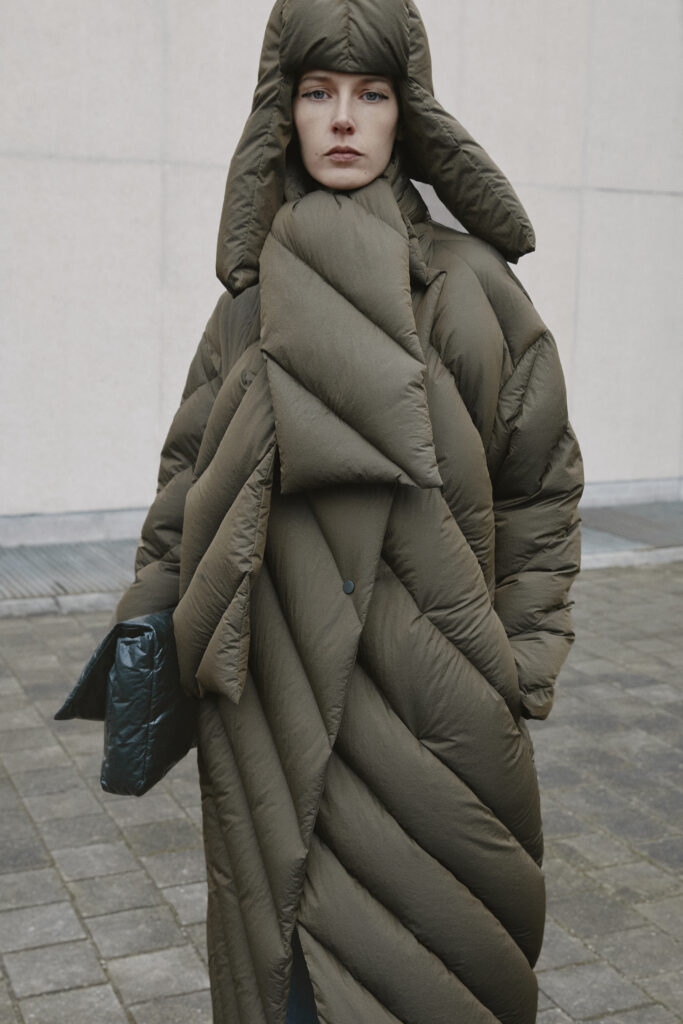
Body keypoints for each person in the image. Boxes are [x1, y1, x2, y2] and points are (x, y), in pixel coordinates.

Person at [115, 1, 584, 1021]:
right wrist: (146, 633)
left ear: (406, 113)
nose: (341, 118)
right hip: (268, 705)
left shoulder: (472, 289)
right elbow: (185, 481)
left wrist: (515, 663)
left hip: (432, 714)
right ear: (280, 113)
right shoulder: (247, 304)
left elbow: (538, 484)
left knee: (430, 974)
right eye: (317, 92)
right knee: (278, 973)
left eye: (370, 94)